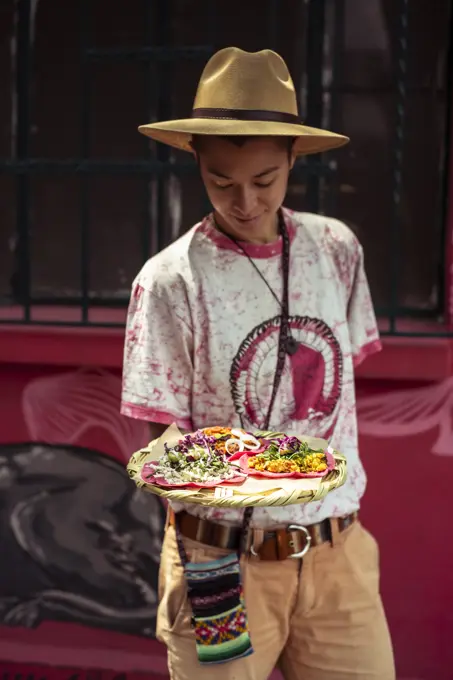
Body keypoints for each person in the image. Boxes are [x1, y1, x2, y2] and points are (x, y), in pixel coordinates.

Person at [121, 47, 395, 680]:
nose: (244, 200)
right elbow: (161, 432)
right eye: (222, 181)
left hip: (337, 555)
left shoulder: (336, 250)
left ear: (293, 160)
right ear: (195, 160)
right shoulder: (169, 281)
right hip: (218, 560)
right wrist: (187, 463)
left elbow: (336, 395)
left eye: (265, 180)